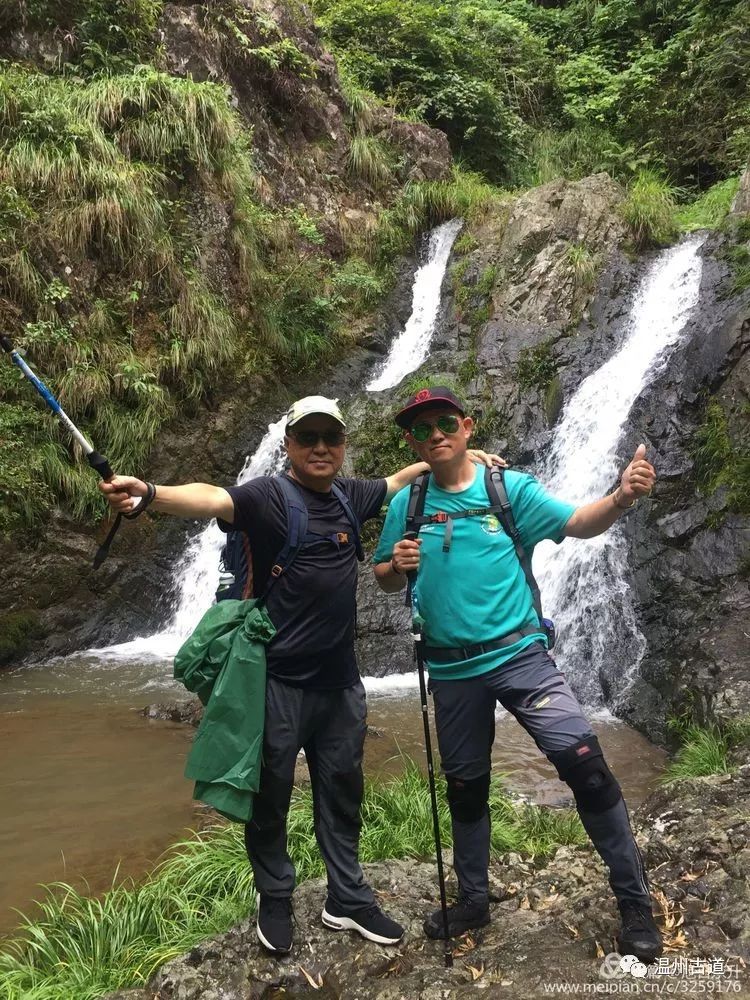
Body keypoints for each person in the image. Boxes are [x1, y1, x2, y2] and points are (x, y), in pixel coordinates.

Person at [100, 394, 503, 955]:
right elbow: (213, 499)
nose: (320, 447)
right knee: (269, 795)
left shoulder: (349, 494)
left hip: (340, 685)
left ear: (342, 446)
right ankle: (275, 895)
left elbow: (391, 482)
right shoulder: (268, 496)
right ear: (288, 445)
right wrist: (149, 494)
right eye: (308, 438)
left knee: (342, 792)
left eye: (330, 439)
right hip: (276, 684)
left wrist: (454, 458)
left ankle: (347, 897)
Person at [373, 386, 663, 963]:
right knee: (465, 786)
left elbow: (579, 523)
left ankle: (634, 901)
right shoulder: (406, 504)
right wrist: (393, 566)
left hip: (520, 657)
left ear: (467, 426)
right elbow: (384, 575)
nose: (435, 433)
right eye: (422, 428)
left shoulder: (509, 490)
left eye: (444, 422)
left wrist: (623, 496)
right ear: (413, 440)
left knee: (587, 767)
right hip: (451, 671)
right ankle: (474, 899)